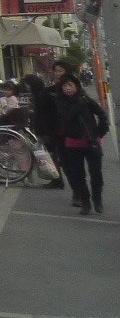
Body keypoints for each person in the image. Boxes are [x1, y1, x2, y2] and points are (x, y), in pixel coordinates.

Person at [51, 74, 108, 215]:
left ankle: (97, 199)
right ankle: (85, 202)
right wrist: (79, 104)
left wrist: (100, 132)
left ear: (76, 85)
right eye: (65, 86)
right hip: (73, 142)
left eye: (70, 85)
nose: (68, 88)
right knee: (77, 174)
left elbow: (102, 114)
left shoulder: (86, 99)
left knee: (96, 173)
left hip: (92, 142)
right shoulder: (60, 102)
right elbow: (66, 118)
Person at [22, 73, 64, 189]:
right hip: (50, 129)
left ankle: (57, 180)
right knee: (51, 155)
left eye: (27, 84)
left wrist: (42, 131)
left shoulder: (41, 96)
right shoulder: (42, 94)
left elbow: (43, 115)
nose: (27, 87)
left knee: (51, 155)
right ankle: (56, 179)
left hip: (48, 130)